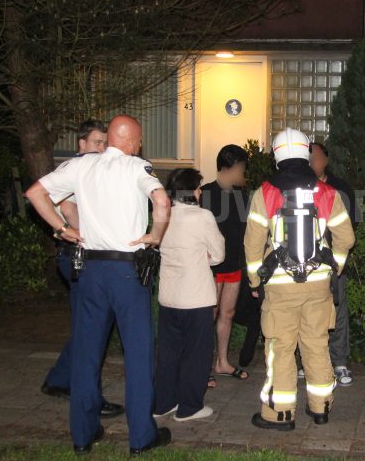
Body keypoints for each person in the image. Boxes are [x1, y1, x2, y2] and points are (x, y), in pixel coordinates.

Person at [25, 115, 172, 455]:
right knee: (137, 354)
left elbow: (35, 193)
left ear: (109, 139)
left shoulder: (82, 166)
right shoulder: (137, 166)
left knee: (87, 353)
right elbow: (162, 202)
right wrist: (156, 236)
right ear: (133, 141)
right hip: (126, 273)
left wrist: (62, 229)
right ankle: (141, 438)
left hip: (89, 269)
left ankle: (83, 434)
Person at [245, 128, 355, 430]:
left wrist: (256, 281)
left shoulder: (264, 192)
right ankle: (321, 408)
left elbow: (253, 245)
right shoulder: (327, 192)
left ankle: (279, 414)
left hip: (279, 288)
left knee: (280, 348)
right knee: (317, 345)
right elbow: (346, 238)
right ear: (307, 152)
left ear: (275, 154)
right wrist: (336, 268)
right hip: (319, 285)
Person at [40, 120, 124, 420]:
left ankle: (60, 380)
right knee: (93, 329)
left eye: (105, 143)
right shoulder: (76, 170)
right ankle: (90, 399)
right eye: (97, 142)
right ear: (82, 144)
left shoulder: (91, 170)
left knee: (86, 327)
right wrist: (71, 229)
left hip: (82, 256)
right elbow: (65, 207)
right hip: (78, 256)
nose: (102, 148)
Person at [154, 168, 225, 422]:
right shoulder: (202, 216)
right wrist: (205, 255)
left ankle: (163, 402)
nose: (200, 192)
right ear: (191, 190)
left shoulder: (163, 214)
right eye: (198, 187)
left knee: (169, 353)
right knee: (196, 354)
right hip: (195, 296)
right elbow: (218, 254)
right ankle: (190, 407)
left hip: (168, 295)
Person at [200, 145, 250, 382]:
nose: (243, 172)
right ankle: (203, 366)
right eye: (241, 167)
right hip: (211, 266)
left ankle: (222, 362)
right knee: (210, 313)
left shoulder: (243, 195)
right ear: (229, 167)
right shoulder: (205, 193)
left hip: (233, 263)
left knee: (227, 312)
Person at [308, 142, 356, 387]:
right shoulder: (299, 187)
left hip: (334, 264)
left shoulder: (340, 189)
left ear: (326, 160)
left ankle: (339, 361)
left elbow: (349, 230)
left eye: (315, 157)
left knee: (337, 312)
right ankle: (308, 362)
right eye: (308, 157)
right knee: (309, 315)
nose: (311, 162)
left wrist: (337, 264)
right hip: (306, 266)